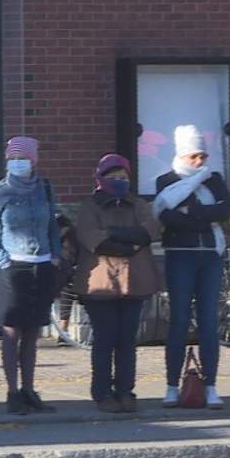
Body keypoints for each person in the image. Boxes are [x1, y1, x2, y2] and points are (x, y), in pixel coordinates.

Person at [71, 154, 161, 413]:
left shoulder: (138, 203)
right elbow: (92, 238)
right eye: (113, 177)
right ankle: (102, 392)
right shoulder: (91, 205)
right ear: (100, 178)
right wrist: (128, 241)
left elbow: (150, 231)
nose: (119, 181)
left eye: (123, 177)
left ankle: (125, 390)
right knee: (105, 339)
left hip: (135, 282)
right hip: (100, 282)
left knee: (127, 340)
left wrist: (114, 234)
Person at [154, 126, 230, 410]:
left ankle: (210, 385)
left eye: (203, 156)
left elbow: (225, 210)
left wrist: (195, 213)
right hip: (180, 255)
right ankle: (172, 386)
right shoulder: (165, 181)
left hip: (210, 255)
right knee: (178, 320)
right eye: (193, 156)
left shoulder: (214, 180)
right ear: (181, 154)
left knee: (209, 321)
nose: (200, 162)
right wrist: (204, 217)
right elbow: (168, 218)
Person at [0, 136, 60, 415]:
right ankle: (12, 392)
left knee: (33, 332)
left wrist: (55, 255)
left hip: (42, 265)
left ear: (34, 160)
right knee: (11, 331)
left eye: (23, 158)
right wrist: (1, 260)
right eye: (12, 159)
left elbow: (52, 225)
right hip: (13, 267)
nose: (18, 163)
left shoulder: (45, 188)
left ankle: (29, 389)